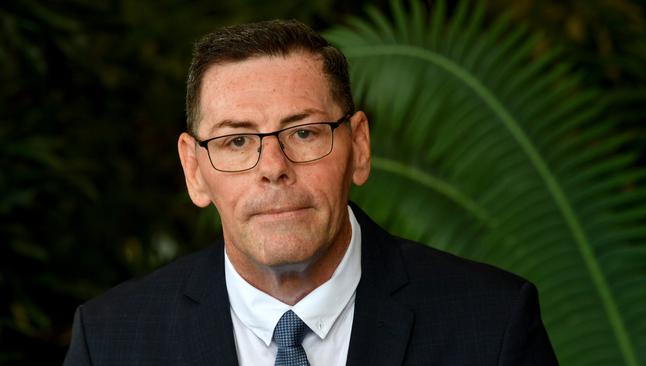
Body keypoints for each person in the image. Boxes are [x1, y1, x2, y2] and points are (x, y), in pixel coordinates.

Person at [64, 19, 558, 365]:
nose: (274, 169)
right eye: (237, 141)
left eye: (303, 133)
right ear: (195, 170)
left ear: (359, 147)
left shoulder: (492, 325)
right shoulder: (110, 340)